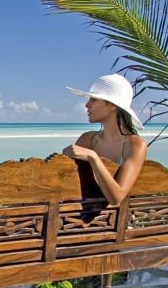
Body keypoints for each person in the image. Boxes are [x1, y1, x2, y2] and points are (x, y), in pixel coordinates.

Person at [62, 74, 147, 206]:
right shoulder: (87, 139)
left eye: (94, 99)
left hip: (106, 223)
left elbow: (116, 198)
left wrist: (93, 157)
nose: (87, 105)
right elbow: (62, 178)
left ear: (112, 105)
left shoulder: (135, 145)